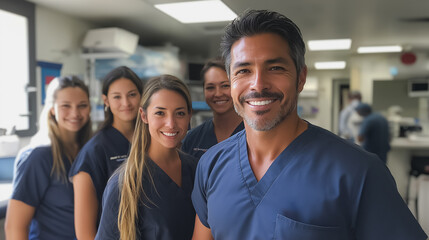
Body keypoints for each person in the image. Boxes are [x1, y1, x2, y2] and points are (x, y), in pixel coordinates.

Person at [191, 9, 427, 240]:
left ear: (301, 78)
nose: (258, 84)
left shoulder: (358, 172)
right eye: (243, 70)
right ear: (231, 81)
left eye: (275, 68)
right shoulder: (211, 165)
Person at [95, 75, 197, 240]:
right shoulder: (124, 184)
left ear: (189, 116)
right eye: (160, 113)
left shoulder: (197, 170)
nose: (171, 123)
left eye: (179, 113)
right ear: (143, 115)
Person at [5, 76, 92, 239]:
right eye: (66, 106)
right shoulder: (38, 157)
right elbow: (14, 227)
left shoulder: (90, 151)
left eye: (82, 106)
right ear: (52, 108)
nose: (75, 113)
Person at [69, 66, 143, 239]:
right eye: (117, 97)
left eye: (132, 94)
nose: (126, 103)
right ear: (106, 100)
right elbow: (85, 232)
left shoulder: (150, 140)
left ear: (141, 95)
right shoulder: (94, 151)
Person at [182, 57, 243, 159]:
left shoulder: (254, 134)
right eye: (210, 87)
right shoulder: (193, 139)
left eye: (225, 86)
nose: (218, 94)